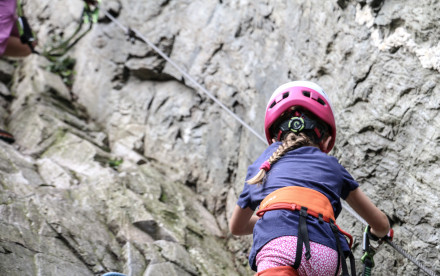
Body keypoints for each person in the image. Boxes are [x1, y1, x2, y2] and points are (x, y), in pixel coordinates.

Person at [229, 81, 391, 276]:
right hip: (325, 254)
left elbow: (237, 227)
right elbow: (380, 224)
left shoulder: (262, 165)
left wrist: (277, 215)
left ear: (273, 138)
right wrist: (378, 233)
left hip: (277, 247)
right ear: (326, 140)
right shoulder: (333, 166)